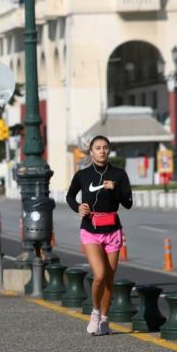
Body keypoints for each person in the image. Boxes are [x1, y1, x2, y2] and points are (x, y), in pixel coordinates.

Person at [66, 135, 133, 336]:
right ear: (91, 152)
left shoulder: (119, 174)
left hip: (113, 230)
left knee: (109, 279)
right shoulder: (82, 175)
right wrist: (78, 207)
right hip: (90, 230)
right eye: (98, 148)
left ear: (109, 150)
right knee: (100, 275)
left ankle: (105, 318)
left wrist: (116, 191)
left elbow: (128, 203)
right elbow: (69, 196)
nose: (102, 151)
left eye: (105, 147)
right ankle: (95, 312)